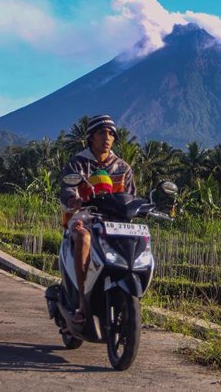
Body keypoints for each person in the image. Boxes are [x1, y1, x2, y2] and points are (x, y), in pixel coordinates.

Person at [59, 115, 136, 324]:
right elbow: (67, 189)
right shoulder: (78, 163)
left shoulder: (123, 168)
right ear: (91, 137)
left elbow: (131, 197)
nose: (108, 137)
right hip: (84, 216)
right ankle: (83, 303)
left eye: (112, 134)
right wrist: (74, 199)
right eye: (102, 132)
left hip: (114, 223)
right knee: (83, 237)